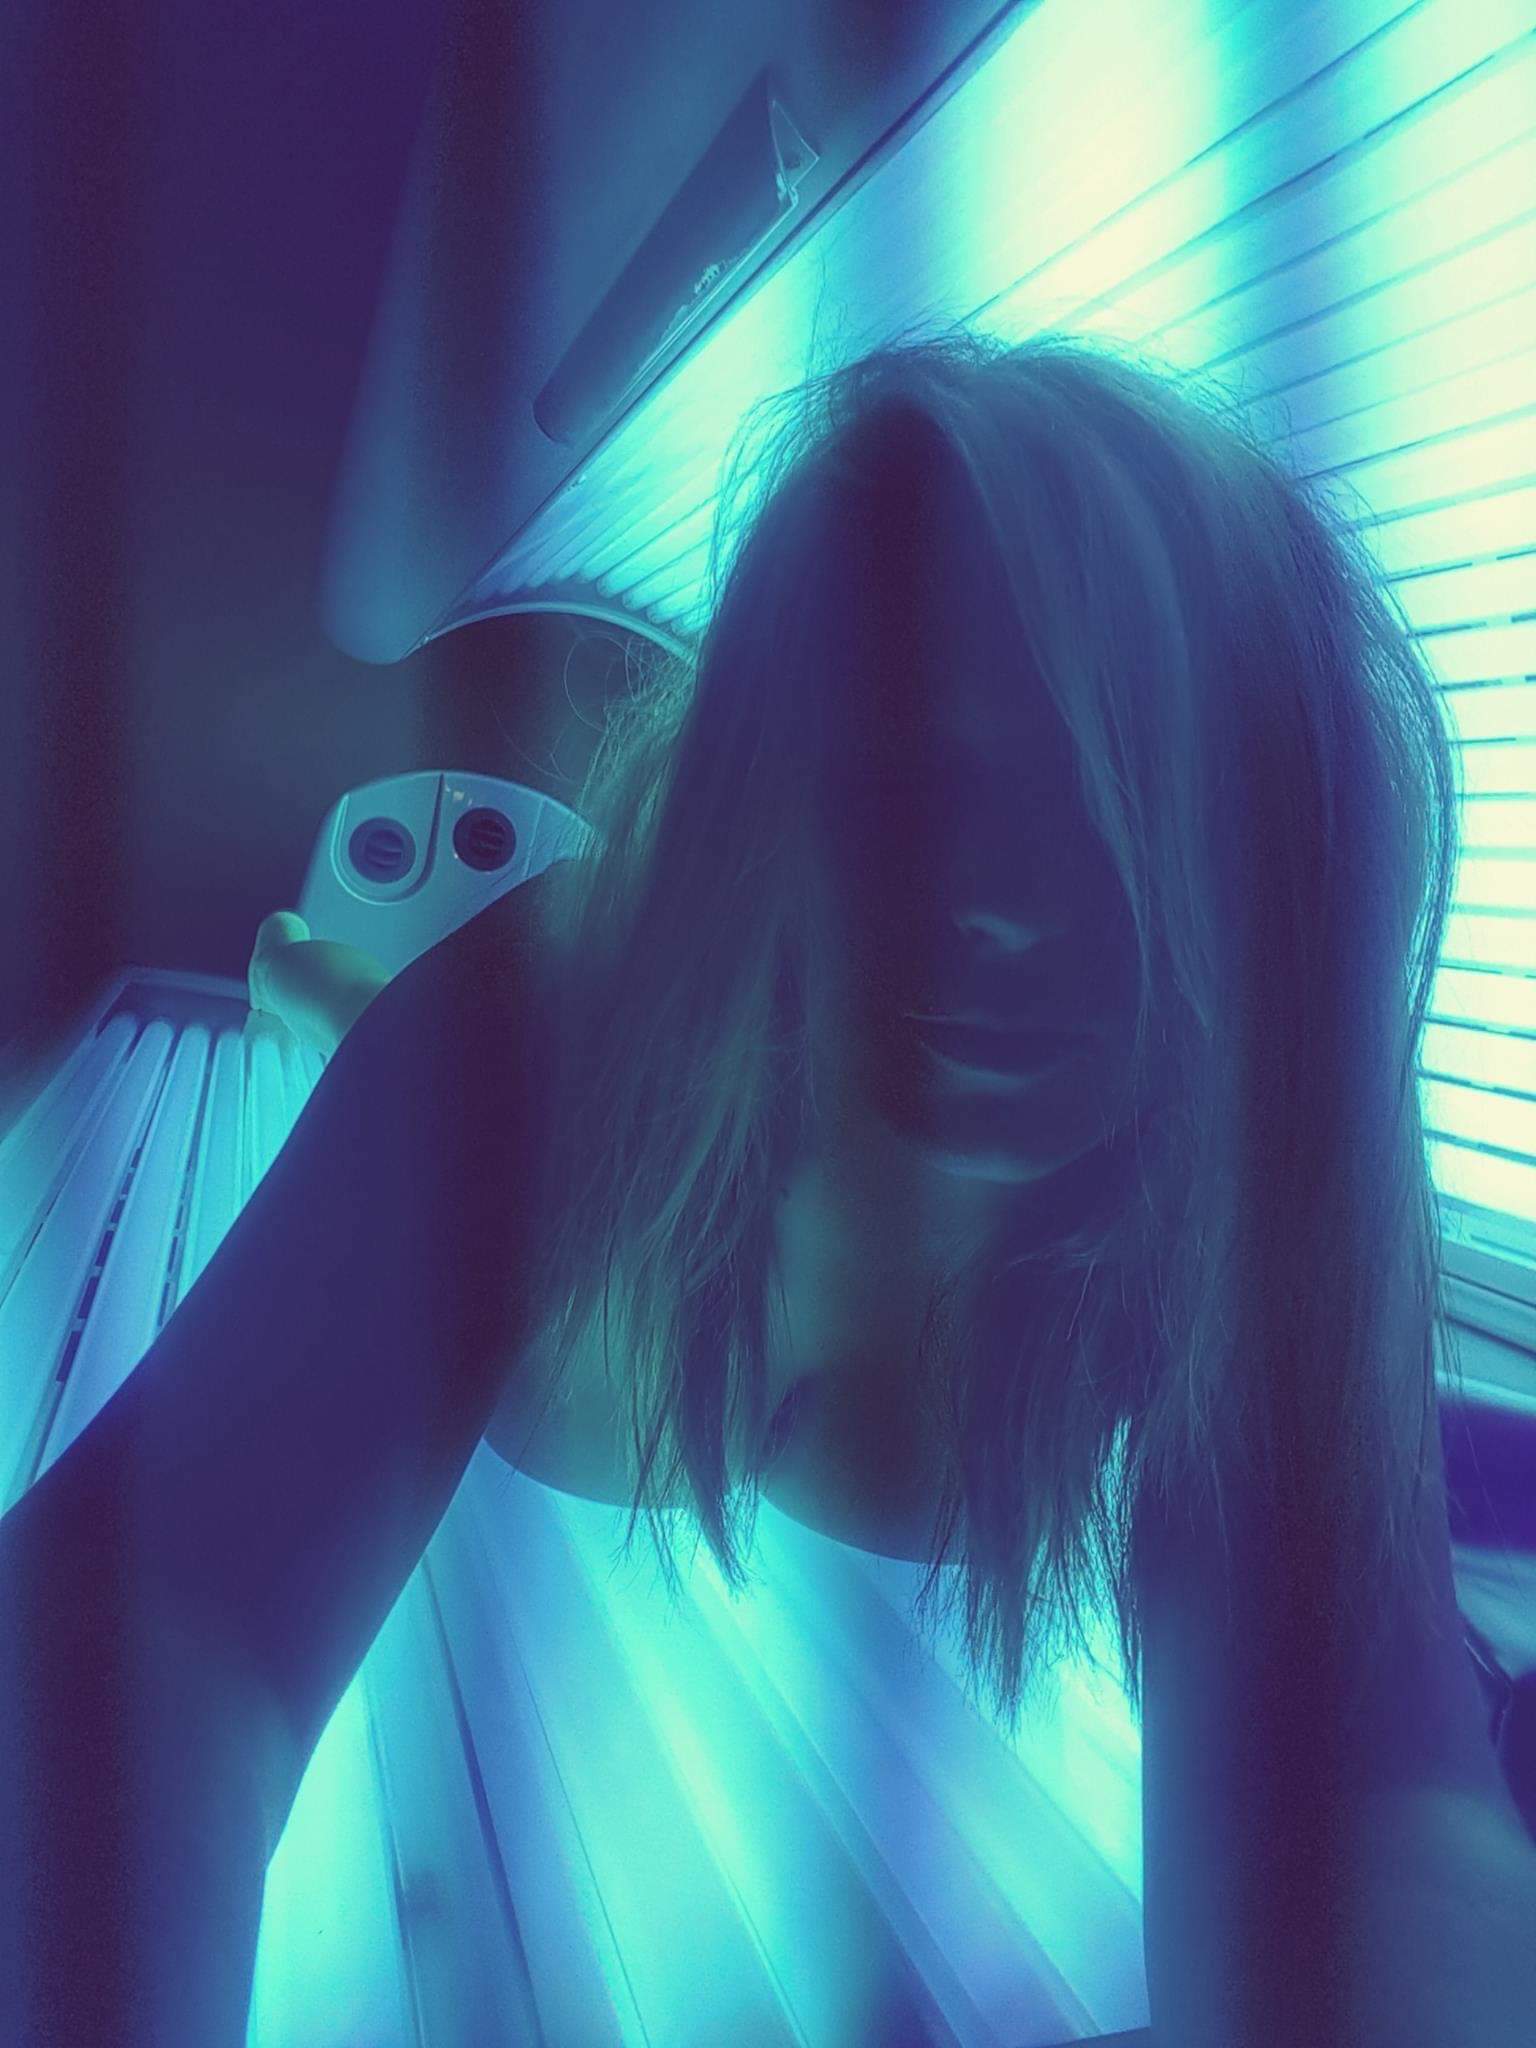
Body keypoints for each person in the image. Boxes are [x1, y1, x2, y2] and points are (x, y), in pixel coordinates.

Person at [4, 328, 1535, 2046]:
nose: (1002, 910)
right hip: (586, 1063)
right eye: (919, 798)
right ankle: (300, 972)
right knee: (341, 1010)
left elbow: (1366, 1793)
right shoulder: (531, 1031)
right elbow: (151, 1636)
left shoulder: (1245, 1205)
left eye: (1112, 821)